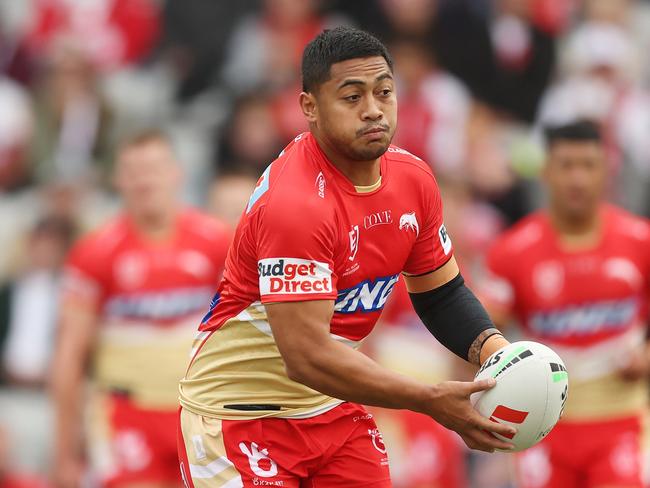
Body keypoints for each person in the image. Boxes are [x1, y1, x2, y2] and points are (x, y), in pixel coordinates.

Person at [178, 26, 516, 488]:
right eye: (352, 97)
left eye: (384, 92)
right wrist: (431, 398)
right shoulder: (296, 204)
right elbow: (308, 357)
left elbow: (441, 293)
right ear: (309, 108)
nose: (374, 109)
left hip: (331, 409)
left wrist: (499, 354)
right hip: (241, 416)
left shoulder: (413, 179)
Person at [51, 130, 231, 488]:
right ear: (118, 180)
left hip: (200, 414)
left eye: (153, 168)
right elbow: (69, 355)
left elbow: (244, 330)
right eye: (133, 171)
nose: (144, 180)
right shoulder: (95, 252)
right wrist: (65, 452)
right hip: (126, 415)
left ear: (176, 173)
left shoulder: (217, 241)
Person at [481, 120, 650, 488]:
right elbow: (479, 334)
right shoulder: (512, 251)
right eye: (566, 165)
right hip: (542, 424)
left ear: (606, 171)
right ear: (545, 171)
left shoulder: (641, 242)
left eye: (588, 166)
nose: (578, 179)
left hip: (622, 419)